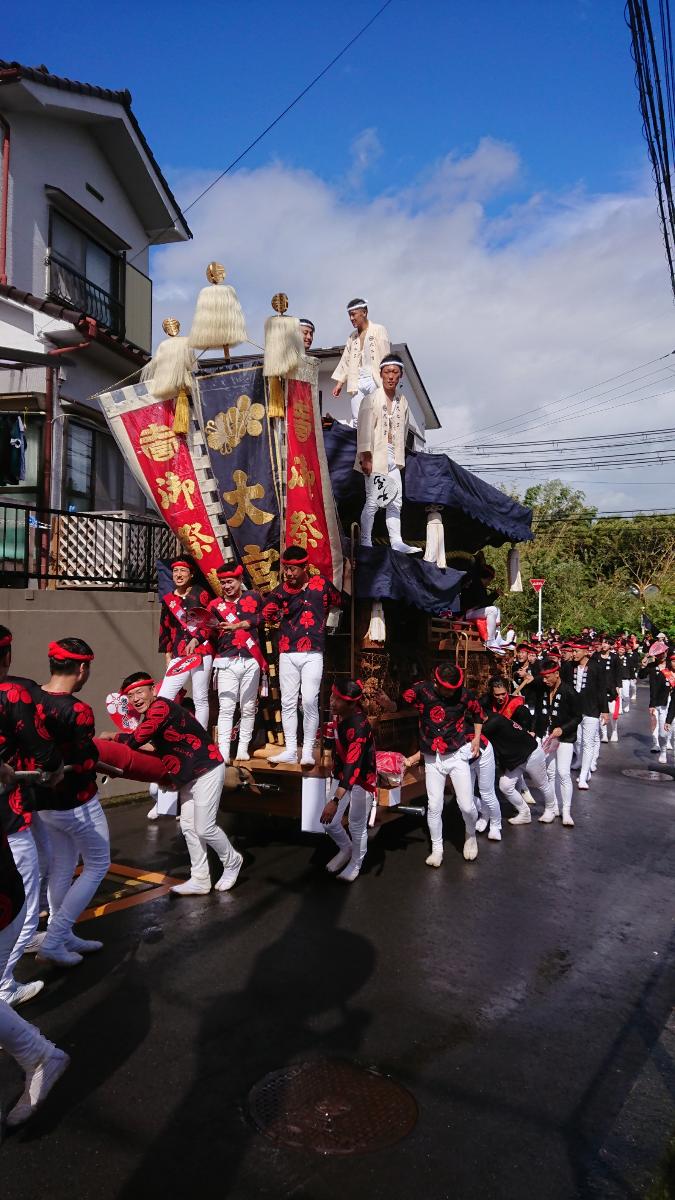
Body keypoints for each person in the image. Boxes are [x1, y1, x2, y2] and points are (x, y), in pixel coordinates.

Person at [113, 673, 241, 895]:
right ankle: (200, 879)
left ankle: (232, 861)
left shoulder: (161, 708)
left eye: (139, 692)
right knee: (189, 827)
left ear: (153, 690)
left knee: (205, 827)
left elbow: (137, 739)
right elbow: (154, 747)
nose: (135, 699)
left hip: (206, 770)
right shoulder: (153, 714)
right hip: (188, 775)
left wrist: (114, 737)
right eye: (130, 695)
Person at [26, 639, 110, 968]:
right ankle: (56, 937)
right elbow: (85, 760)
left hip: (44, 803)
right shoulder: (77, 710)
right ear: (82, 668)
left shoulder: (31, 698)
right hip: (76, 802)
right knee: (97, 864)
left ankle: (63, 934)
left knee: (63, 865)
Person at [0, 628, 62, 1010]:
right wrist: (52, 768)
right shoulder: (13, 693)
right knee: (20, 887)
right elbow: (41, 746)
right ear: (6, 655)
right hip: (8, 807)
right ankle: (4, 985)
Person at [262, 546, 342, 766]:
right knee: (287, 702)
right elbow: (267, 609)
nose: (288, 573)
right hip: (287, 651)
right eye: (286, 569)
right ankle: (290, 749)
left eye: (293, 569)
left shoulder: (321, 584)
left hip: (313, 652)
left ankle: (307, 750)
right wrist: (270, 612)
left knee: (308, 700)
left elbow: (338, 600)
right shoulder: (280, 590)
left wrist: (328, 612)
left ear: (305, 567)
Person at [402, 664, 484, 866]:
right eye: (446, 687)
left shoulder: (464, 695)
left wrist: (476, 738)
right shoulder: (422, 690)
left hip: (456, 755)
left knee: (466, 805)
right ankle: (437, 848)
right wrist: (387, 704)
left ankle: (470, 834)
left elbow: (478, 713)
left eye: (454, 688)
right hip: (431, 756)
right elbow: (402, 701)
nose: (450, 692)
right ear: (437, 682)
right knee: (435, 806)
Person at [355, 352, 420, 555]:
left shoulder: (403, 402)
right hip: (375, 455)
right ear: (381, 374)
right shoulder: (371, 398)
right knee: (373, 501)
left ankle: (397, 541)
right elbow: (364, 429)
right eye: (387, 372)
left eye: (395, 372)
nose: (391, 376)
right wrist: (366, 457)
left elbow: (404, 431)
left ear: (400, 376)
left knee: (396, 501)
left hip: (394, 456)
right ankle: (365, 540)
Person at [320, 679, 377, 883]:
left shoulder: (360, 727)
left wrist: (335, 801)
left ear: (352, 704)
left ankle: (356, 862)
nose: (332, 701)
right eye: (332, 695)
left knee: (355, 825)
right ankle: (346, 848)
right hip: (340, 773)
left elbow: (353, 768)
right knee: (329, 823)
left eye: (338, 699)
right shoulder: (339, 714)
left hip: (361, 779)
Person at [208, 563, 265, 764]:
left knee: (248, 706)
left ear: (240, 580)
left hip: (251, 659)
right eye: (223, 583)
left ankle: (243, 747)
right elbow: (207, 630)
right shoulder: (215, 605)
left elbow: (264, 616)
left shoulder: (254, 598)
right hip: (226, 659)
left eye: (230, 581)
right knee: (226, 707)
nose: (227, 586)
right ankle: (223, 752)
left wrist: (242, 625)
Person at [157, 556, 213, 732]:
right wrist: (167, 654)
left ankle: (202, 737)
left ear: (191, 574)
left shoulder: (201, 594)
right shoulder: (168, 599)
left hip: (202, 649)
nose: (178, 575)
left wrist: (198, 639)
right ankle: (163, 734)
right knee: (164, 696)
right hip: (178, 651)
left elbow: (210, 622)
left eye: (182, 571)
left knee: (200, 697)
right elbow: (165, 627)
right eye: (175, 571)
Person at [531, 656, 581, 826]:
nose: (544, 680)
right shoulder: (543, 689)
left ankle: (566, 811)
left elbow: (577, 717)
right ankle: (551, 808)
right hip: (547, 735)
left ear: (557, 674)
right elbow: (538, 711)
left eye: (547, 677)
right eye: (542, 677)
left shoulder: (569, 691)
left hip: (565, 738)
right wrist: (534, 730)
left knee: (564, 773)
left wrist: (563, 728)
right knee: (549, 773)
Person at [331, 298, 390, 425]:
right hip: (356, 379)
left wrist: (387, 380)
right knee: (357, 418)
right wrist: (339, 384)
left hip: (374, 377)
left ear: (364, 312)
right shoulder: (352, 337)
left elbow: (386, 357)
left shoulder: (379, 330)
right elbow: (346, 360)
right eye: (349, 315)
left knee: (377, 415)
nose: (351, 318)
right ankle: (359, 444)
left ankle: (377, 444)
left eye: (353, 314)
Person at [571, 640, 609, 790]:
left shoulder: (597, 667)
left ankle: (584, 774)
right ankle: (581, 763)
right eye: (572, 651)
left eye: (576, 651)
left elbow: (602, 690)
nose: (573, 654)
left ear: (586, 651)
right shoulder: (571, 667)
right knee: (578, 741)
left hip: (592, 710)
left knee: (588, 742)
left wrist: (605, 711)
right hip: (576, 710)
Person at [638, 640, 672, 763]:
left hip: (668, 700)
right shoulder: (652, 666)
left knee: (666, 727)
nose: (661, 655)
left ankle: (664, 746)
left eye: (663, 653)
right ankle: (655, 743)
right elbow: (641, 676)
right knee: (654, 721)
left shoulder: (670, 665)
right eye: (658, 654)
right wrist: (643, 664)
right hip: (654, 700)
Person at [461, 562, 503, 650]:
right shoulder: (476, 585)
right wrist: (495, 594)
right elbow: (484, 603)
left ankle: (498, 639)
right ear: (487, 578)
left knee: (496, 610)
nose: (489, 584)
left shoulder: (478, 585)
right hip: (467, 612)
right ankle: (490, 641)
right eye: (489, 581)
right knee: (493, 610)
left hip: (473, 611)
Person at [596, 634, 621, 743]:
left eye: (607, 643)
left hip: (611, 688)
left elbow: (618, 673)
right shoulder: (596, 656)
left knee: (611, 712)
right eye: (603, 642)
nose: (604, 645)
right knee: (602, 711)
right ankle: (604, 734)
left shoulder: (614, 657)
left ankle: (614, 731)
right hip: (598, 688)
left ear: (611, 645)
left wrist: (618, 686)